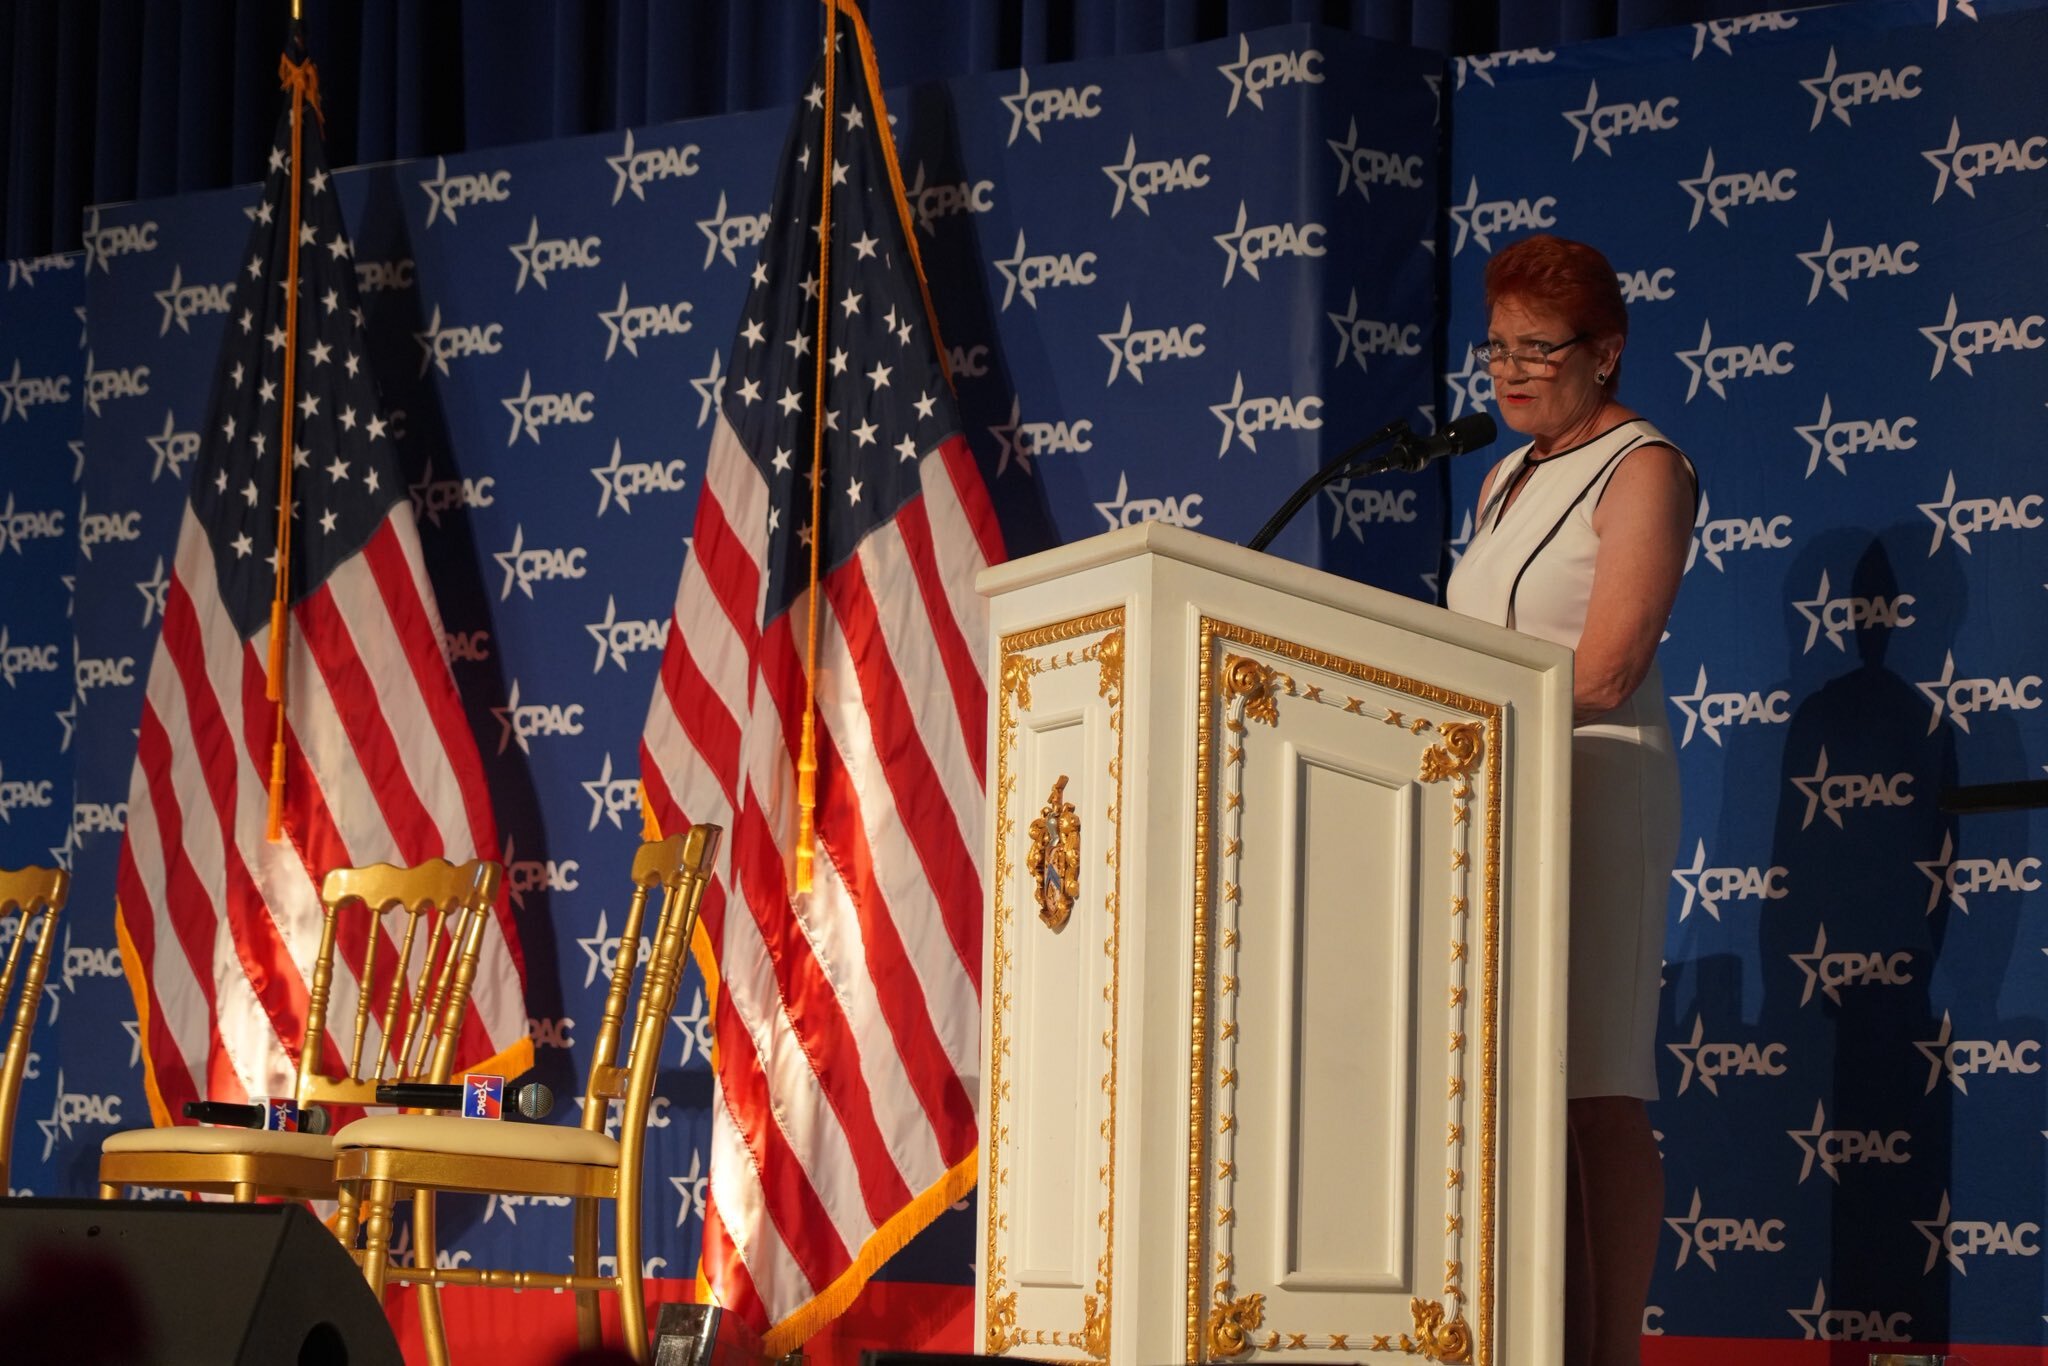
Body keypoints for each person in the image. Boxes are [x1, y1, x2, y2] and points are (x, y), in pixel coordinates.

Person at [1443, 233, 1697, 1366]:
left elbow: (1603, 666)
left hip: (1593, 788)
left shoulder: (1644, 467)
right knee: (1508, 1084)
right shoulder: (1503, 476)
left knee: (1592, 1082)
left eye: (1537, 349)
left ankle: (1605, 1351)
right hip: (1491, 792)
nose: (1508, 372)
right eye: (1495, 347)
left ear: (1606, 353)